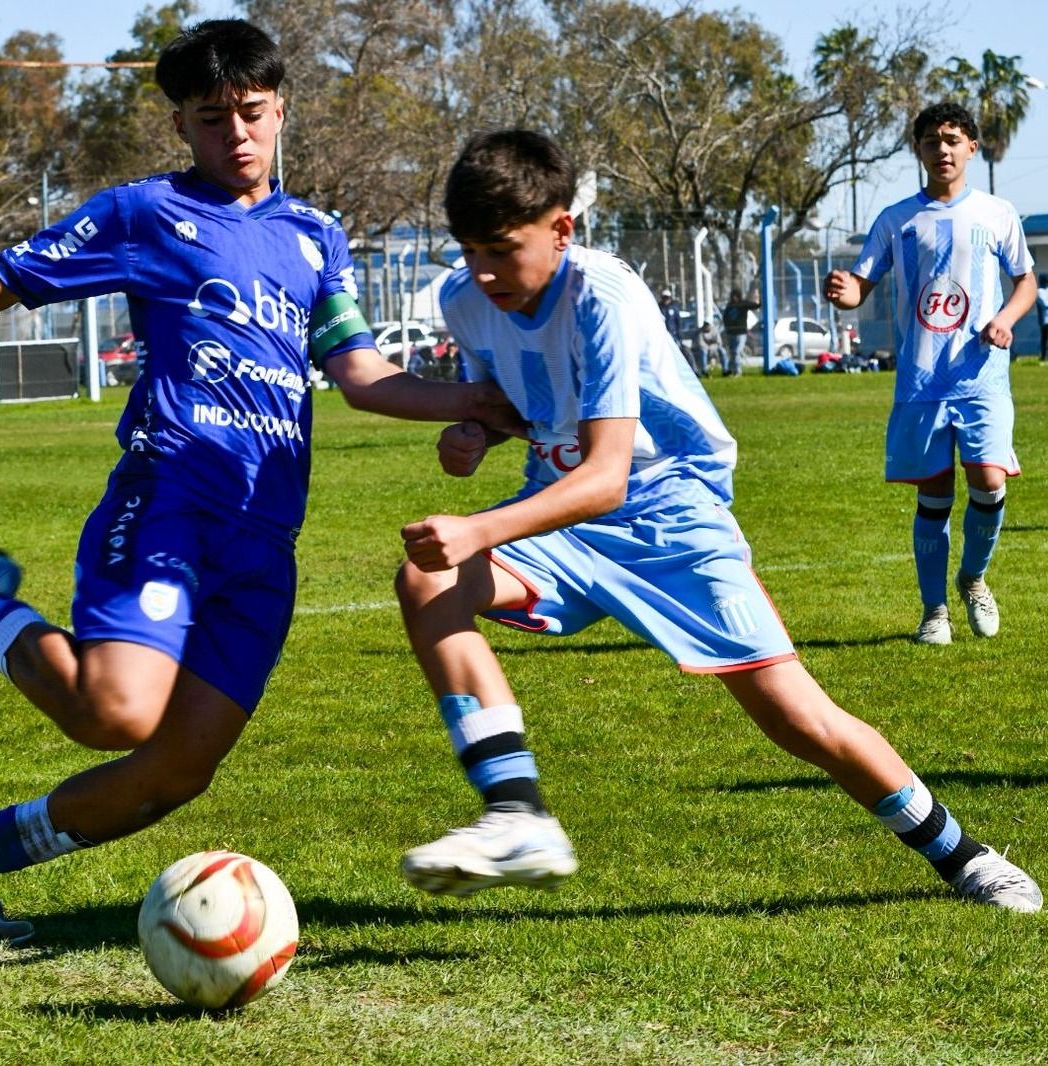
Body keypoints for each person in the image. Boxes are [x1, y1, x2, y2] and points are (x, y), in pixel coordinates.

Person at [0, 19, 516, 945]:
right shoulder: (145, 215)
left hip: (265, 542)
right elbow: (4, 281)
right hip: (169, 503)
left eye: (252, 114)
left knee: (175, 771)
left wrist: (475, 399)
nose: (237, 135)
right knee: (117, 712)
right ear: (180, 124)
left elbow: (360, 374)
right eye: (211, 118)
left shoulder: (316, 238)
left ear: (280, 110)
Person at [394, 128, 1040, 913]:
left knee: (797, 718)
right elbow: (516, 404)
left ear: (561, 229)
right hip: (561, 522)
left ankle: (962, 854)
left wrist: (477, 528)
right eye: (469, 251)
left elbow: (605, 476)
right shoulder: (467, 302)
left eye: (502, 249)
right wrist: (475, 432)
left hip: (671, 513)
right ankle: (515, 810)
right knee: (429, 579)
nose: (484, 271)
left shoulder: (601, 292)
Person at [825, 101, 1037, 645]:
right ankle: (934, 612)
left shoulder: (997, 213)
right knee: (935, 491)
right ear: (917, 149)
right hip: (922, 382)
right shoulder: (897, 220)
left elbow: (1025, 283)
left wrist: (1006, 320)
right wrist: (845, 291)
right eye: (930, 141)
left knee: (989, 481)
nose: (941, 149)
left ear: (971, 146)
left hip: (981, 375)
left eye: (951, 139)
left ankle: (974, 577)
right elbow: (859, 287)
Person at [721, 287, 759, 376]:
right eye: (733, 296)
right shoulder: (729, 306)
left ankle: (738, 371)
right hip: (731, 333)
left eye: (736, 296)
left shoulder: (743, 304)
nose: (734, 298)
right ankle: (730, 370)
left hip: (740, 333)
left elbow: (756, 306)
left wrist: (757, 296)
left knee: (737, 352)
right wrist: (727, 328)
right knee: (732, 353)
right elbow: (725, 317)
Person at [1036, 272, 1048, 363]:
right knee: (1044, 339)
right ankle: (1044, 356)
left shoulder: (1039, 292)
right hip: (1045, 319)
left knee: (1044, 339)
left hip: (1045, 319)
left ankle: (1044, 356)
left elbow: (1044, 303)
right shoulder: (1040, 291)